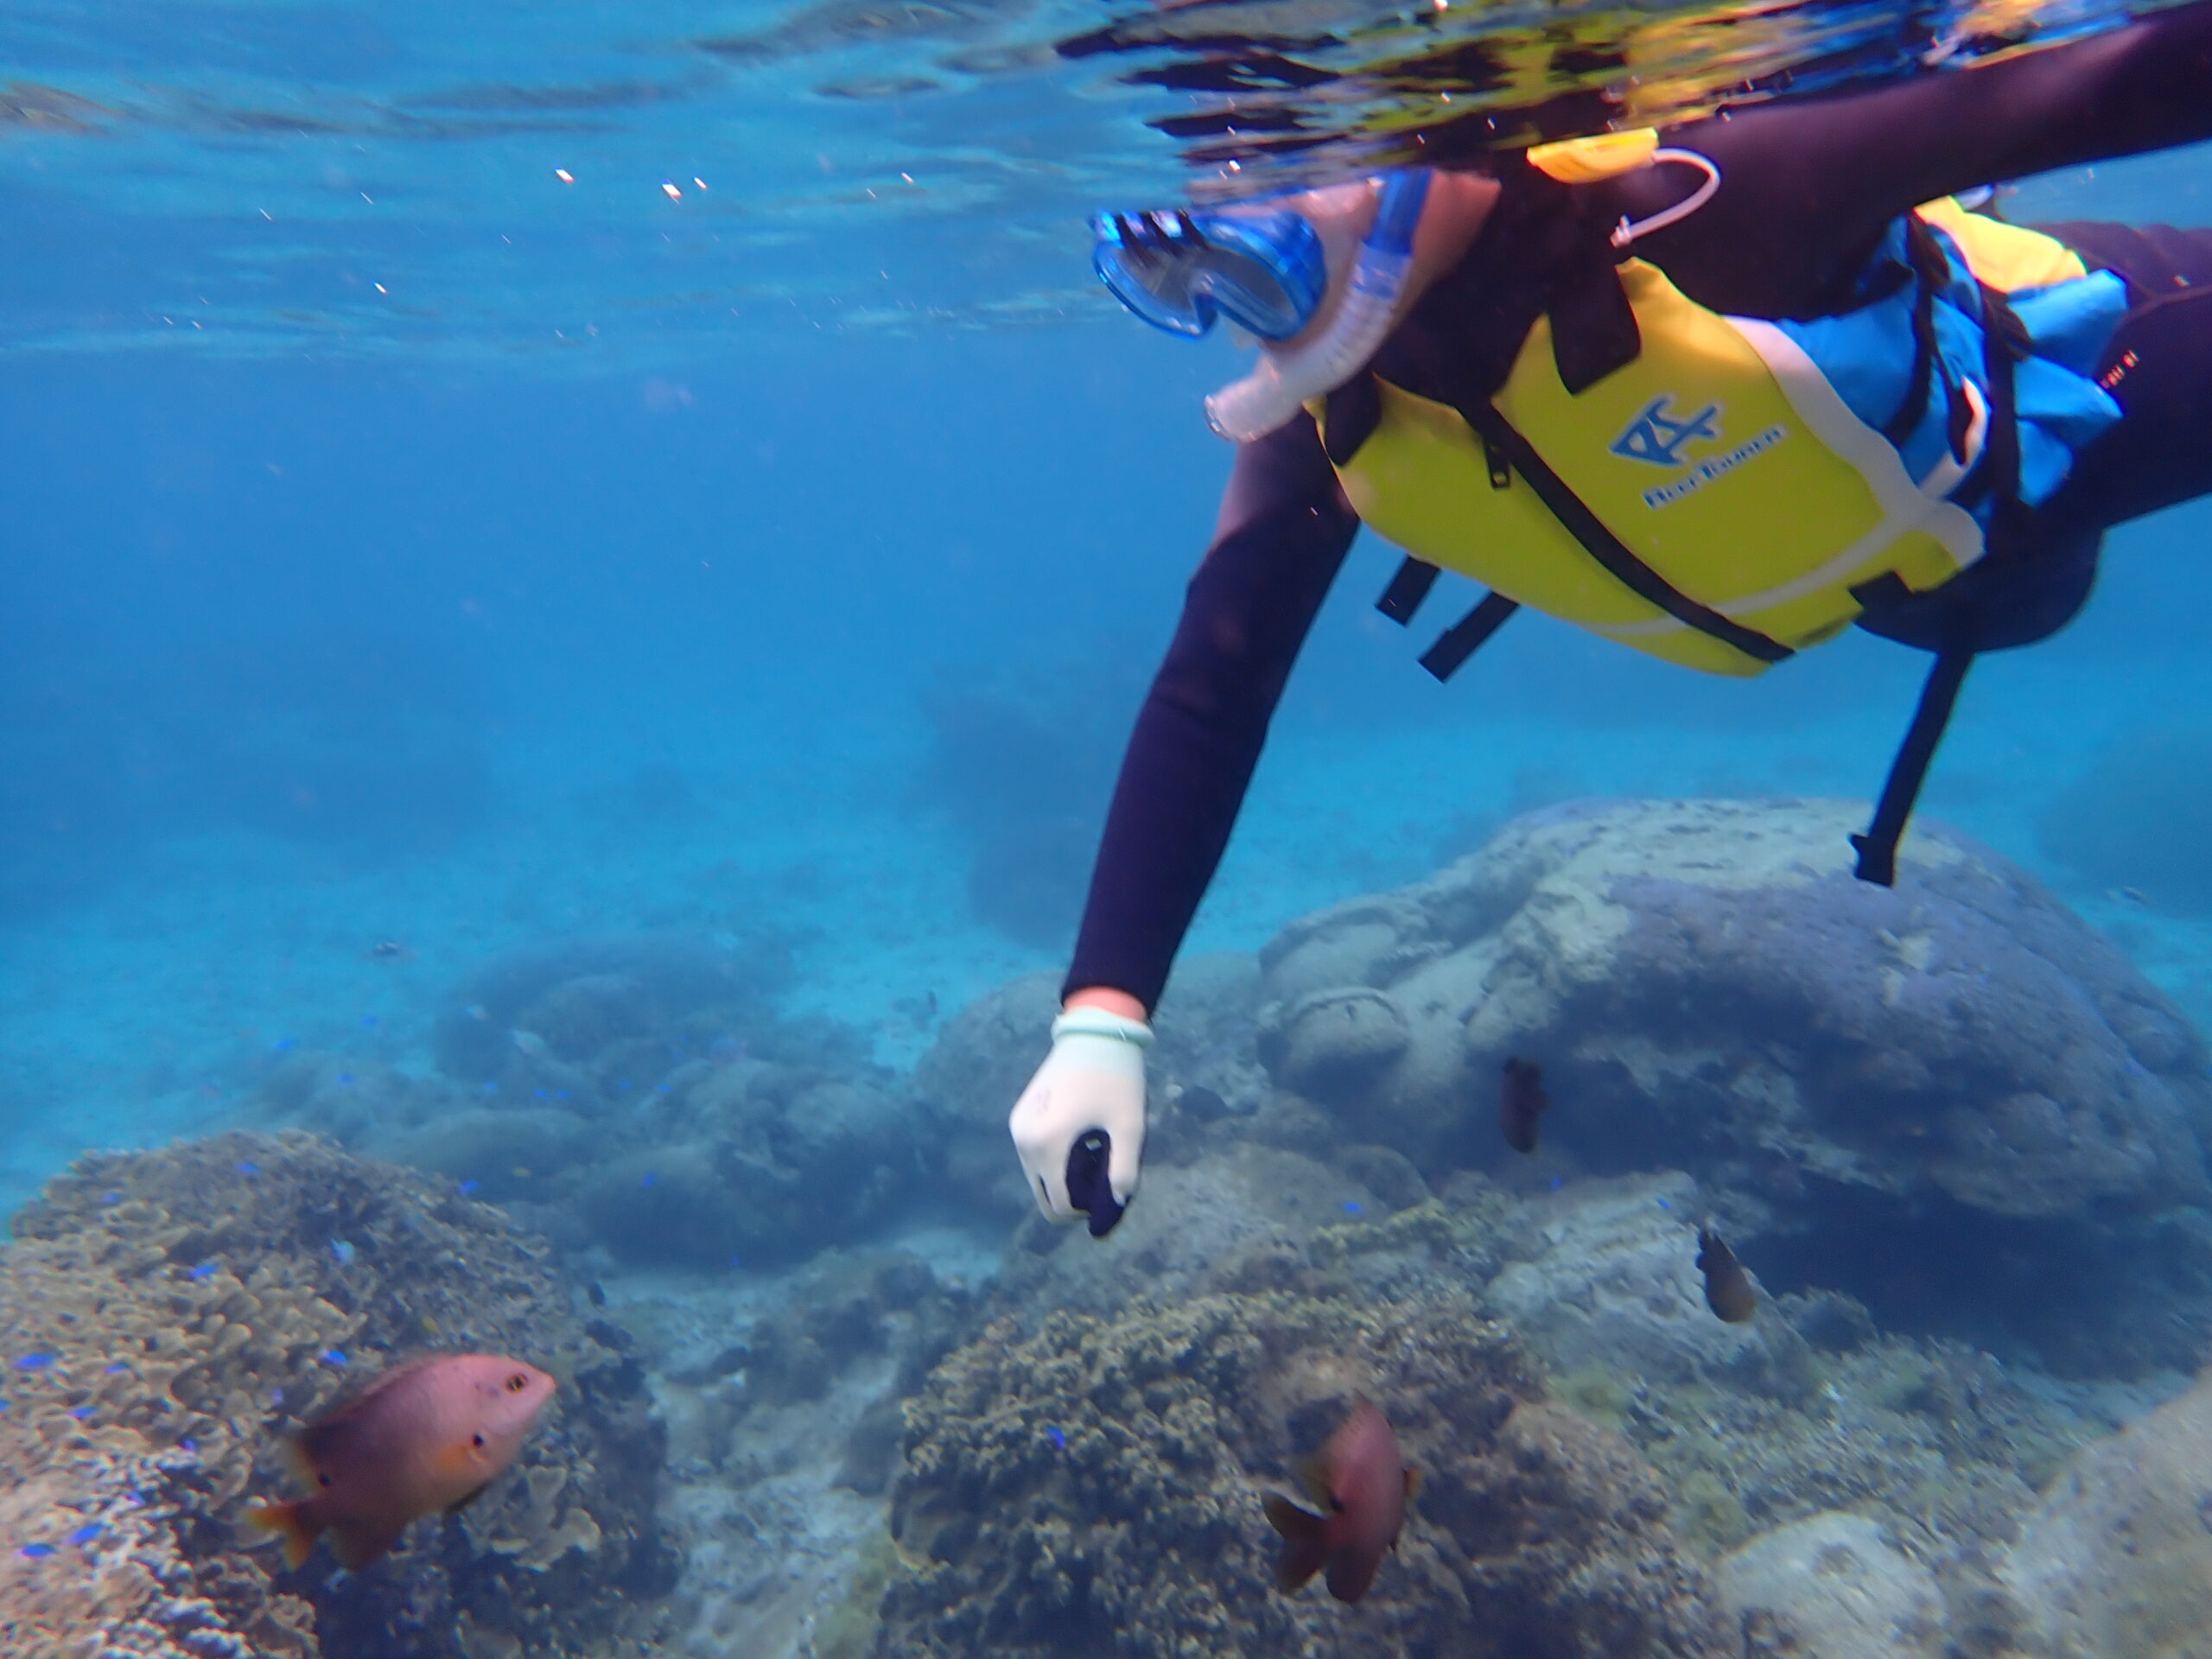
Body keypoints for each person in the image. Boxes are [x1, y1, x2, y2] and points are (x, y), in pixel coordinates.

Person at [1008, 0, 2212, 1236]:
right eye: (1197, 269)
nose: (1257, 305)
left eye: (1271, 237)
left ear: (1437, 128)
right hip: (1879, 578)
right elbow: (1216, 682)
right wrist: (1105, 1019)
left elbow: (2121, 81)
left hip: (2048, 438)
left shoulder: (1724, 199)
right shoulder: (1343, 417)